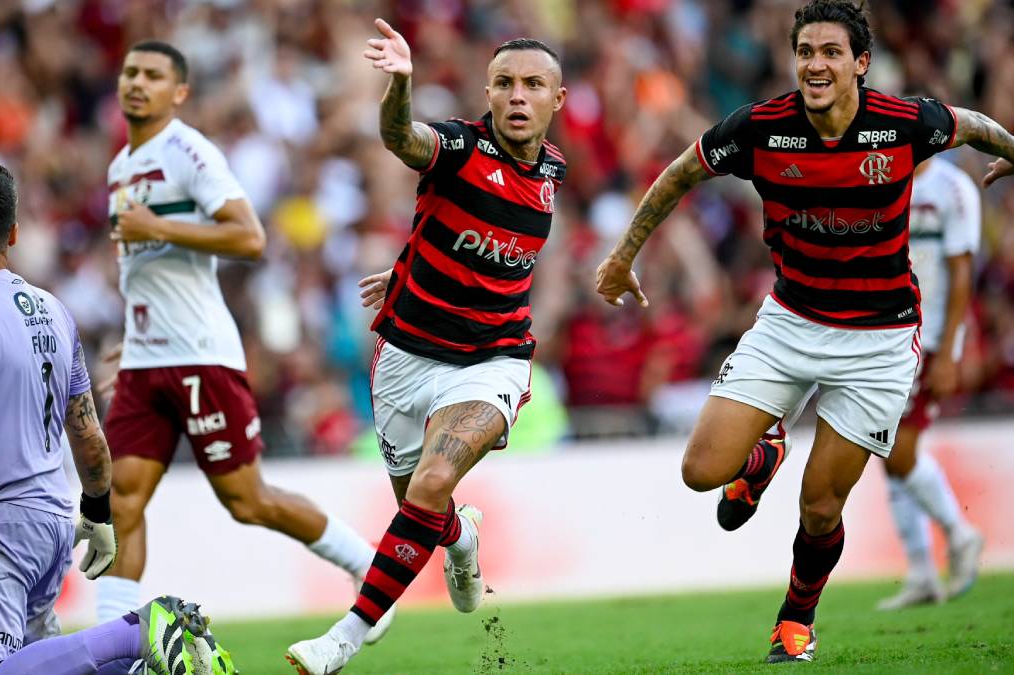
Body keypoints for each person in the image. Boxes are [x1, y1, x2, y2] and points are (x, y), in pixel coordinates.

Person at [594, 0, 1014, 663]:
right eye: (805, 52)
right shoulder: (761, 129)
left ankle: (796, 620)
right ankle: (762, 454)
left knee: (821, 508)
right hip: (789, 322)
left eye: (830, 52)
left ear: (860, 64)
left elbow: (974, 125)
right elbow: (680, 173)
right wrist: (623, 255)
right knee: (701, 471)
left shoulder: (904, 123)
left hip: (878, 340)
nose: (814, 64)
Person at [286, 19, 567, 673]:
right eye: (504, 83)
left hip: (492, 360)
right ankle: (462, 536)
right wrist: (401, 85)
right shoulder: (460, 148)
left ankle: (346, 637)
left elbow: (496, 244)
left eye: (532, 85)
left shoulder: (553, 168)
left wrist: (414, 262)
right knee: (423, 504)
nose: (517, 96)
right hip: (406, 359)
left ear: (557, 98)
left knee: (434, 482)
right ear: (486, 91)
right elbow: (400, 137)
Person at [97, 40, 389, 661]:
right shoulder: (120, 166)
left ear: (178, 92)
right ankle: (111, 648)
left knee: (247, 501)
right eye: (130, 73)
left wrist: (161, 226)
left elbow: (249, 235)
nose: (137, 83)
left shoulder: (188, 150)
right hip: (146, 357)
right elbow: (145, 269)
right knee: (122, 496)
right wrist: (132, 332)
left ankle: (369, 569)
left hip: (202, 354)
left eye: (153, 75)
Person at [0, 161, 218, 675]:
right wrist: (97, 510)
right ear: (12, 233)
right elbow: (88, 434)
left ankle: (140, 628)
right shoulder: (54, 312)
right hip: (53, 524)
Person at [877, 156, 985, 610]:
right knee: (886, 451)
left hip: (930, 337)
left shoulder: (953, 188)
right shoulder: (879, 178)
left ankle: (961, 534)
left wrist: (950, 349)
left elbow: (962, 271)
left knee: (899, 451)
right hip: (885, 338)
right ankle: (921, 572)